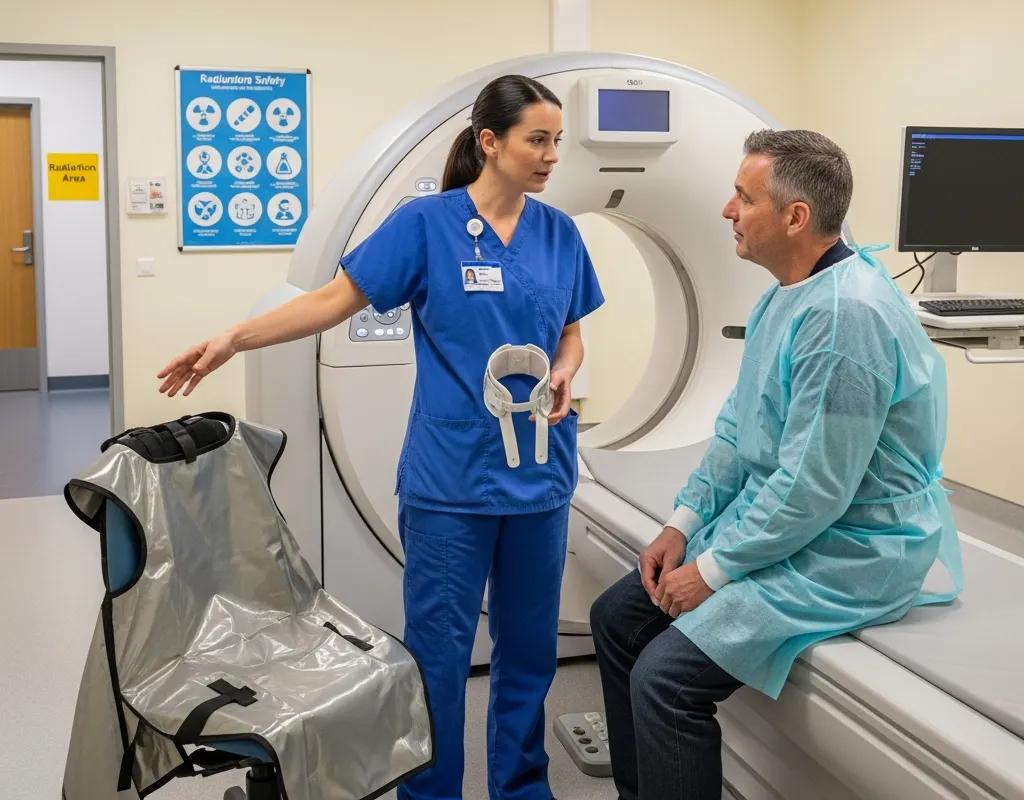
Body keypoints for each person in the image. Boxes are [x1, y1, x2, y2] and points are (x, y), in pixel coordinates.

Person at [157, 74, 605, 800]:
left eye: (557, 141)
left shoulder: (560, 233)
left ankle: (522, 788)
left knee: (529, 654)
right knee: (438, 657)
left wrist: (564, 368)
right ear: (491, 143)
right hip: (451, 481)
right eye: (537, 140)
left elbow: (574, 332)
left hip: (541, 477)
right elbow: (333, 301)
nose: (553, 155)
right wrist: (233, 338)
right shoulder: (425, 226)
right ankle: (430, 793)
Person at [589, 129, 962, 800]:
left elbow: (815, 487)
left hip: (853, 546)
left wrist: (715, 569)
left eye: (743, 196)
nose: (728, 211)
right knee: (616, 618)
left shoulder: (847, 317)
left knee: (666, 681)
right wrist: (683, 523)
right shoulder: (786, 295)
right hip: (799, 520)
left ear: (794, 217)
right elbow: (737, 430)